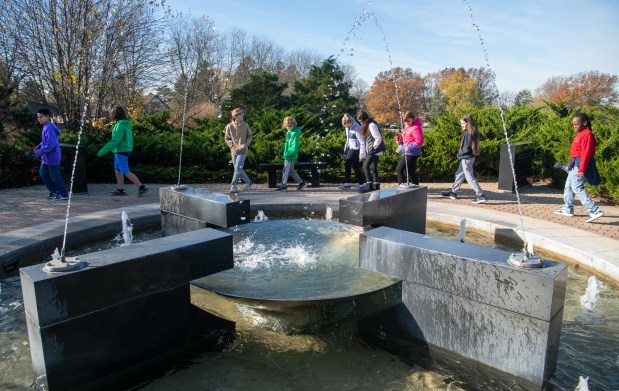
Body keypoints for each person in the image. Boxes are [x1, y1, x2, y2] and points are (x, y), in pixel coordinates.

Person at [554, 112, 604, 223]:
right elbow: (576, 153)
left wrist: (581, 169)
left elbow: (586, 153)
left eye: (577, 124)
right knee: (568, 187)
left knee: (576, 187)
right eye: (573, 124)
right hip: (574, 165)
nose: (575, 126)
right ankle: (568, 208)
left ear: (585, 123)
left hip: (580, 166)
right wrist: (569, 165)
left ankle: (594, 210)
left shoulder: (588, 134)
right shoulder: (581, 134)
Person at [97, 105, 148, 196]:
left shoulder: (120, 125)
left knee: (124, 170)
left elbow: (115, 140)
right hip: (124, 149)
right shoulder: (125, 124)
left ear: (114, 115)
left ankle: (141, 187)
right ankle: (121, 189)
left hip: (121, 150)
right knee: (117, 170)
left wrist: (101, 152)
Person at [442, 115, 487, 203]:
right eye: (461, 123)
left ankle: (480, 195)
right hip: (468, 157)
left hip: (466, 158)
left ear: (468, 123)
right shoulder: (472, 132)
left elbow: (466, 148)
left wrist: (460, 155)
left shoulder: (468, 133)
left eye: (463, 123)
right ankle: (453, 192)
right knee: (459, 174)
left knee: (469, 176)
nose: (462, 125)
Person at [34, 109, 69, 200]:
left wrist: (39, 152)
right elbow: (46, 141)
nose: (39, 119)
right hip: (46, 158)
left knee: (55, 176)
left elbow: (51, 144)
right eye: (38, 117)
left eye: (41, 117)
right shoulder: (45, 126)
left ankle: (64, 194)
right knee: (43, 174)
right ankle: (54, 191)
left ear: (48, 117)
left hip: (52, 157)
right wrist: (39, 145)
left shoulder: (49, 128)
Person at [225, 107, 253, 193]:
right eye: (241, 114)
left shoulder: (246, 125)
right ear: (236, 116)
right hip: (234, 151)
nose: (242, 115)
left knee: (237, 168)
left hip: (243, 151)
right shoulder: (229, 126)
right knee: (238, 169)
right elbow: (227, 138)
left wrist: (246, 144)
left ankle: (233, 186)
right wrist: (232, 146)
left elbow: (249, 136)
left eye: (242, 114)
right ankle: (249, 183)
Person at [276, 116, 307, 191]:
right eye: (287, 125)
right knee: (291, 171)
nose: (288, 126)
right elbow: (287, 143)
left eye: (290, 125)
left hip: (290, 156)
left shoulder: (295, 134)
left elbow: (295, 146)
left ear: (293, 124)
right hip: (288, 155)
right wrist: (282, 149)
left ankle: (283, 186)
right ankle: (301, 183)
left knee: (286, 170)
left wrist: (288, 154)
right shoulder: (288, 133)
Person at [357, 111, 385, 191]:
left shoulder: (371, 125)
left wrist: (374, 147)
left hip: (374, 149)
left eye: (361, 121)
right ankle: (376, 185)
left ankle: (369, 185)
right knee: (373, 167)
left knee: (365, 166)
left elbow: (378, 138)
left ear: (364, 119)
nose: (361, 123)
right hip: (373, 148)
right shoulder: (369, 124)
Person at [395, 111, 424, 186]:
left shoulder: (416, 128)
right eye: (405, 121)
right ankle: (416, 186)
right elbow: (408, 138)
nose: (406, 123)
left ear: (412, 118)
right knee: (411, 171)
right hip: (407, 151)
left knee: (399, 169)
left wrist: (410, 147)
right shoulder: (407, 126)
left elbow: (420, 141)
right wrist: (400, 141)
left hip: (412, 153)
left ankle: (401, 186)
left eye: (408, 121)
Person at [340, 113, 366, 190]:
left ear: (351, 122)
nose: (347, 127)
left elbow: (362, 142)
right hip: (351, 148)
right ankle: (348, 183)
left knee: (354, 166)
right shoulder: (347, 127)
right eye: (345, 126)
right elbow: (348, 138)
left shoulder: (357, 128)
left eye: (348, 125)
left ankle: (361, 184)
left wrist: (362, 154)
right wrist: (346, 145)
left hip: (357, 149)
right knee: (348, 165)